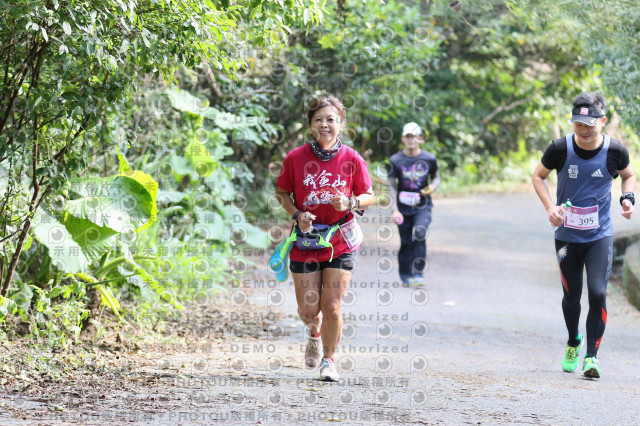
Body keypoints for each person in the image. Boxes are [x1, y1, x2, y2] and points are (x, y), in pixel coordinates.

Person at [532, 92, 635, 379]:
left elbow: (629, 174)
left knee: (599, 293)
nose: (584, 130)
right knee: (571, 296)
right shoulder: (559, 149)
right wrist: (550, 207)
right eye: (578, 124)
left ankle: (592, 356)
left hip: (600, 234)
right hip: (566, 236)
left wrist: (628, 197)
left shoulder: (615, 150)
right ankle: (573, 341)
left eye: (590, 124)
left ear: (602, 121)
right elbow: (537, 176)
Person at [275, 96, 375, 381]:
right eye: (318, 119)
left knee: (331, 304)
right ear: (310, 125)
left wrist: (351, 202)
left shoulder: (352, 158)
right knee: (308, 309)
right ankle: (314, 332)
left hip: (341, 239)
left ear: (341, 124)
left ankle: (329, 361)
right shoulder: (295, 157)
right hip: (305, 241)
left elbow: (369, 195)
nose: (325, 124)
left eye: (331, 119)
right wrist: (297, 215)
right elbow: (282, 193)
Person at [386, 122, 440, 286]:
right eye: (408, 137)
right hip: (402, 208)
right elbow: (390, 186)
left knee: (420, 233)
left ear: (420, 138)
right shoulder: (395, 160)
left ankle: (418, 273)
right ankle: (405, 275)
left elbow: (436, 177)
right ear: (403, 138)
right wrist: (394, 210)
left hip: (422, 206)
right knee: (406, 241)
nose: (411, 140)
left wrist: (432, 187)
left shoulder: (429, 158)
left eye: (414, 137)